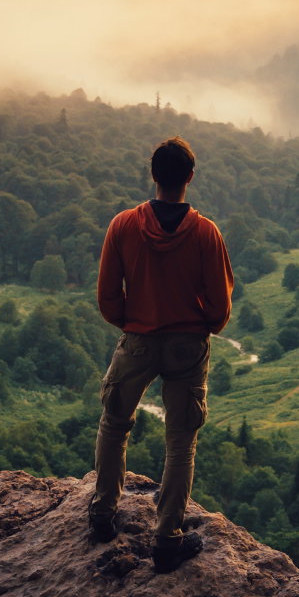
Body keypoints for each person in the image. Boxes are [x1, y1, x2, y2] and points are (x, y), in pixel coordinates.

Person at [89, 136, 234, 572]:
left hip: (137, 340)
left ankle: (101, 514)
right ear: (190, 177)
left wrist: (133, 324)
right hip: (187, 343)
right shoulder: (206, 232)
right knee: (181, 440)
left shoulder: (123, 226)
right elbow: (221, 305)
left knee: (114, 425)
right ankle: (167, 537)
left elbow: (107, 294)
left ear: (153, 175)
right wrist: (200, 326)